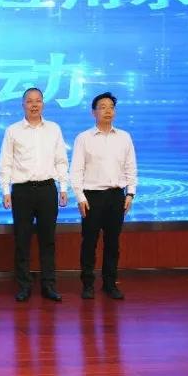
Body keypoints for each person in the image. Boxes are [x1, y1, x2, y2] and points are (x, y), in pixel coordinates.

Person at [0, 87, 69, 302]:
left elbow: (61, 160)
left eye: (38, 100)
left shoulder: (54, 129)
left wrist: (63, 187)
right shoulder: (13, 130)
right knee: (22, 240)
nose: (34, 104)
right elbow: (6, 162)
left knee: (48, 240)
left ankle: (49, 285)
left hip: (48, 189)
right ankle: (24, 286)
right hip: (22, 191)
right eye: (29, 101)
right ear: (23, 105)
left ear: (43, 104)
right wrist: (5, 190)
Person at [70, 91, 137, 301]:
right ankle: (88, 284)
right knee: (89, 242)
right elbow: (76, 170)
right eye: (102, 107)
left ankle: (110, 284)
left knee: (113, 243)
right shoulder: (84, 138)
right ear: (94, 112)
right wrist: (80, 197)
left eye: (111, 107)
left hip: (116, 196)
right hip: (92, 197)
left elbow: (131, 167)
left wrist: (130, 193)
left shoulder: (124, 137)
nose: (108, 111)